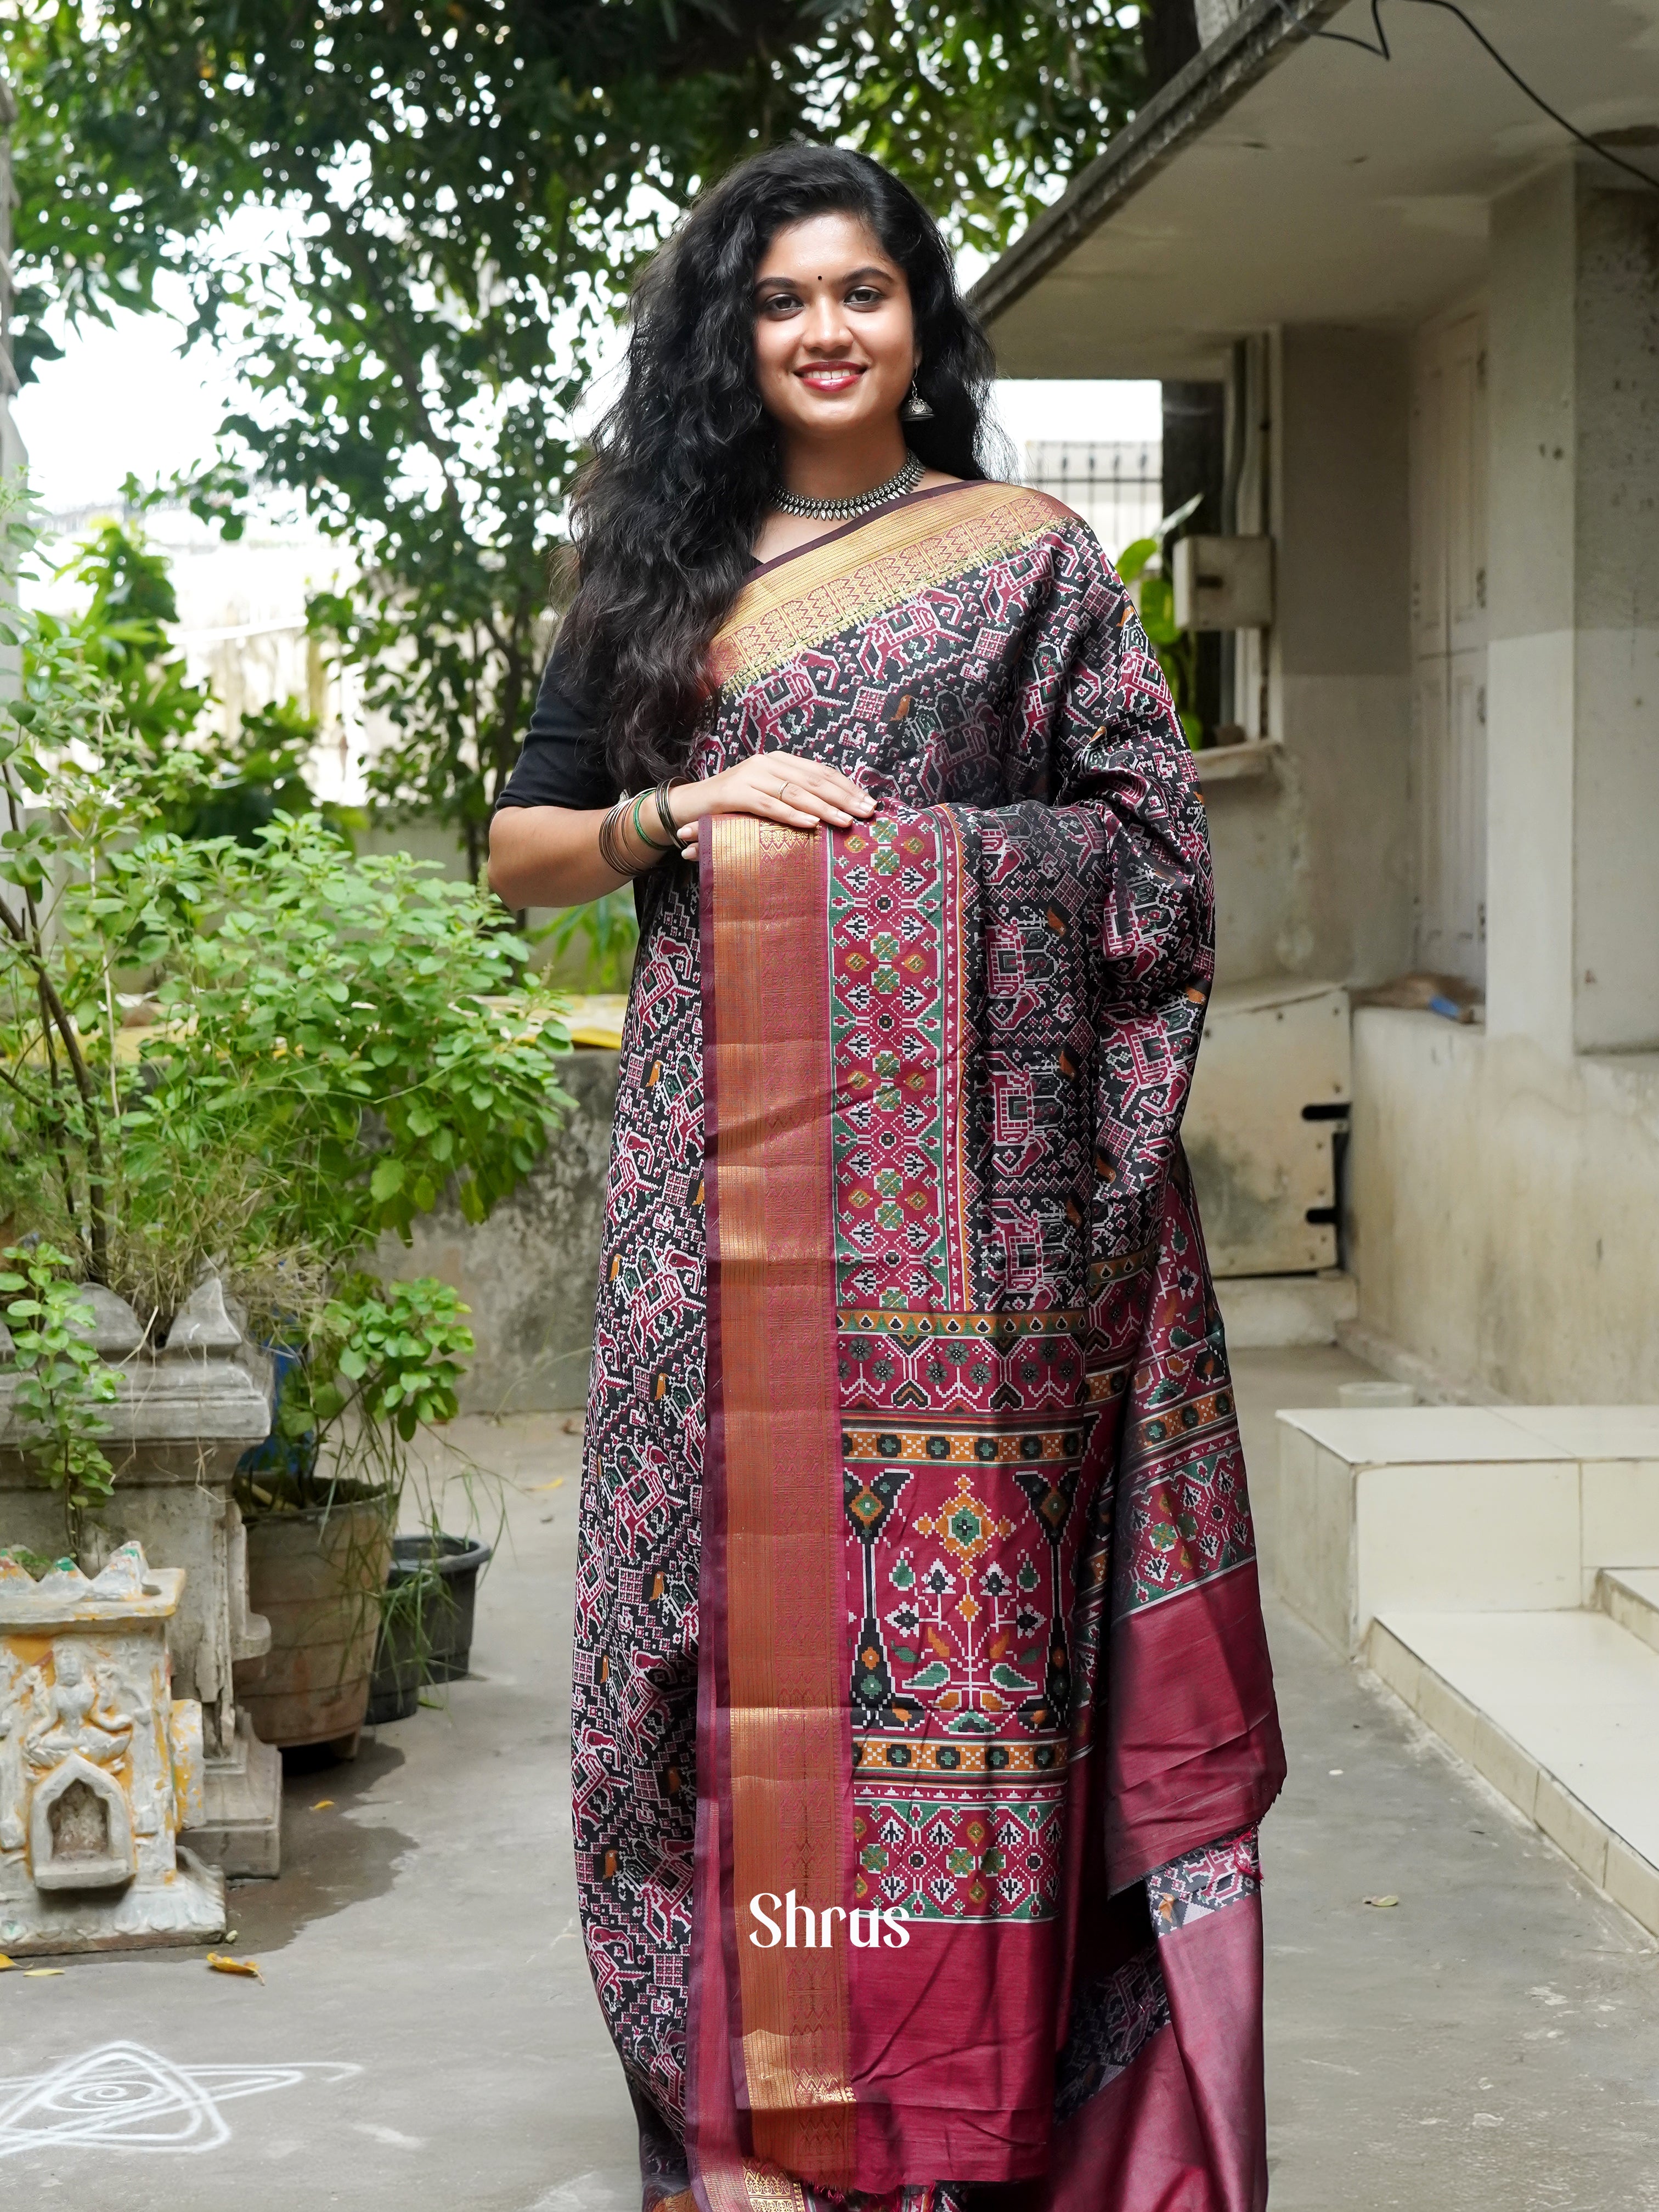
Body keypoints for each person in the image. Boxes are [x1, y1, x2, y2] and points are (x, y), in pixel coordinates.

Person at [489, 143, 1285, 2212]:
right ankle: (750, 2119)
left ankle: (960, 2115)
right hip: (712, 1198)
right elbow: (526, 853)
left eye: (862, 292)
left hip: (973, 1242)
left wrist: (914, 879)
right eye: (780, 302)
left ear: (919, 319)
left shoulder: (1028, 558)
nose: (825, 332)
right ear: (729, 341)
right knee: (701, 1636)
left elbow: (1152, 864)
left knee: (953, 1652)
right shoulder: (658, 577)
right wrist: (698, 808)